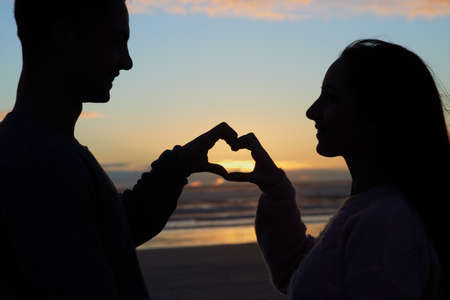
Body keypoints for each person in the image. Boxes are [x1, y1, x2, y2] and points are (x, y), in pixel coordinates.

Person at [0, 0, 237, 299]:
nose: (127, 62)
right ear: (63, 36)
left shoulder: (42, 150)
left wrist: (177, 167)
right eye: (116, 41)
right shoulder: (37, 166)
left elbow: (112, 230)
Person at [226, 39, 449, 299]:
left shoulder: (385, 224)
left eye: (330, 97)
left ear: (377, 112)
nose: (311, 111)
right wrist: (276, 190)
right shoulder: (376, 210)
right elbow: (305, 273)